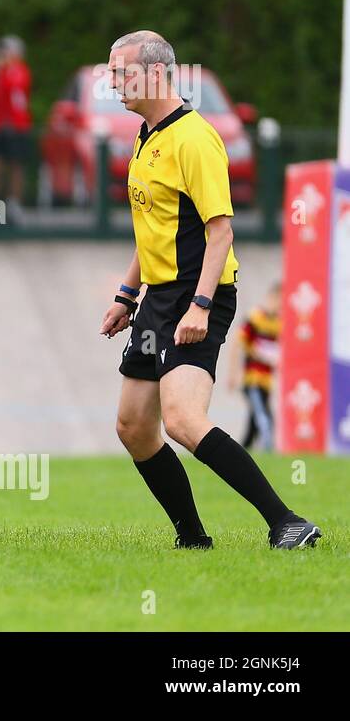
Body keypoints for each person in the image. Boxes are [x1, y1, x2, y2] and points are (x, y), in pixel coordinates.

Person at [97, 30, 319, 550]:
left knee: (182, 419)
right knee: (133, 427)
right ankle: (193, 538)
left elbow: (220, 231)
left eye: (120, 72)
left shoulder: (194, 138)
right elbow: (151, 229)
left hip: (199, 295)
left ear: (155, 73)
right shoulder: (145, 134)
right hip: (158, 298)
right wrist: (126, 296)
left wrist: (198, 305)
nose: (113, 84)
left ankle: (287, 521)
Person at [0, 35, 32, 210]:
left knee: (15, 165)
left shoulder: (19, 70)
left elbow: (14, 86)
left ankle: (14, 204)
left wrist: (0, 70)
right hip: (0, 126)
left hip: (17, 127)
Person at [228, 282, 282, 452]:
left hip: (267, 381)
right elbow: (238, 343)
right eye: (278, 299)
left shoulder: (280, 322)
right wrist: (233, 374)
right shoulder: (256, 317)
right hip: (252, 379)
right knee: (264, 420)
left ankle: (239, 452)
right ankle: (269, 454)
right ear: (271, 297)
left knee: (254, 423)